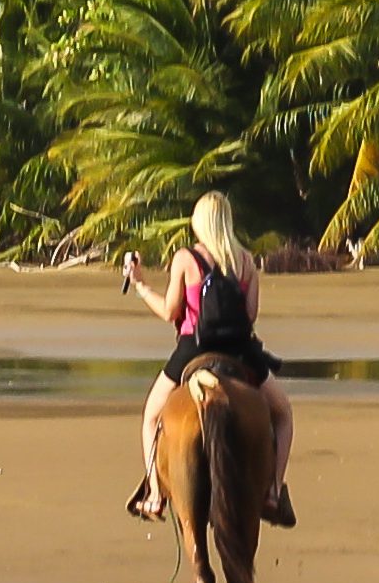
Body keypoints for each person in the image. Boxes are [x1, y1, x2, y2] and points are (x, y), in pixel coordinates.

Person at [122, 189, 298, 528]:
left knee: (150, 417)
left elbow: (170, 311)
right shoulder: (245, 261)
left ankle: (155, 495)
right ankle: (273, 491)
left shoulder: (186, 259)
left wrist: (142, 286)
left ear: (199, 223)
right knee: (283, 414)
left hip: (194, 347)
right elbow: (250, 317)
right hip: (240, 350)